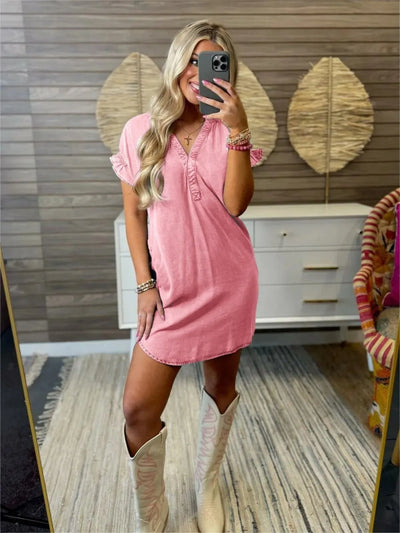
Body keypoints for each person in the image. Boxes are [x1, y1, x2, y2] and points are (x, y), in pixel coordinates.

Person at [110, 19, 262, 533]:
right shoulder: (140, 130)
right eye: (194, 60)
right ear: (178, 64)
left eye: (214, 62)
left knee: (220, 387)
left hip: (228, 285)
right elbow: (134, 214)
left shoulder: (230, 129)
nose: (201, 72)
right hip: (171, 293)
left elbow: (236, 205)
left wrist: (239, 132)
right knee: (137, 409)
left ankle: (207, 485)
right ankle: (152, 514)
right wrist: (145, 285)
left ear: (228, 72)